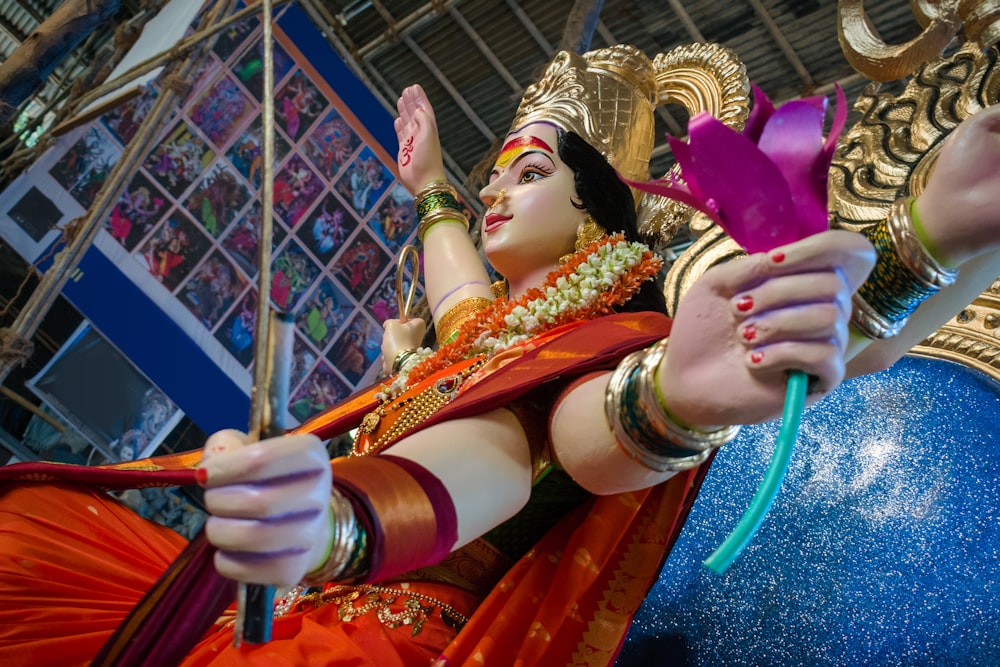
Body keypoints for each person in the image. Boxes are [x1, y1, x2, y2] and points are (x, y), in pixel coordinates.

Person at [1, 44, 998, 666]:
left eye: (526, 173)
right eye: (491, 176)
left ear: (596, 217)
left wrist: (337, 522)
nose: (494, 195)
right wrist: (428, 182)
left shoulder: (606, 337)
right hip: (292, 591)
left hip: (372, 632)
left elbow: (530, 450)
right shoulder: (482, 327)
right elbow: (454, 281)